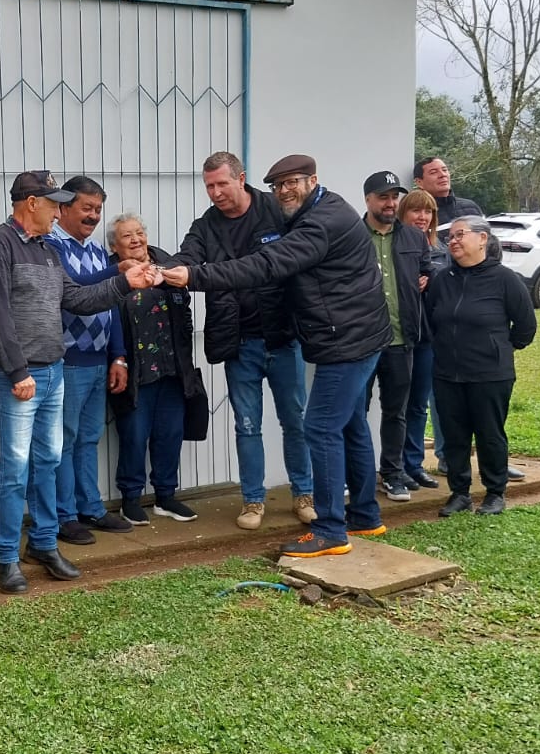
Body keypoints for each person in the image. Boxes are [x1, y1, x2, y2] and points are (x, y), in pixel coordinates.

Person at [163, 154, 390, 558]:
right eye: (279, 185)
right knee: (349, 423)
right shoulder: (312, 211)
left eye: (293, 183)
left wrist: (196, 277)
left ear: (313, 180)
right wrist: (167, 269)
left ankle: (330, 529)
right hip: (344, 337)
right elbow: (191, 253)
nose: (285, 191)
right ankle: (367, 515)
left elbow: (268, 264)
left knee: (317, 428)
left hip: (340, 341)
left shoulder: (317, 222)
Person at [0, 171, 159, 593]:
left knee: (48, 461)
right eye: (54, 204)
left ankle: (43, 543)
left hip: (54, 370)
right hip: (20, 376)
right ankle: (5, 558)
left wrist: (124, 282)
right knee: (16, 469)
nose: (60, 212)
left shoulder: (46, 251)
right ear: (30, 203)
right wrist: (17, 372)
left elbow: (77, 298)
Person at [175, 151, 314, 531]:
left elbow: (308, 250)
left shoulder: (276, 210)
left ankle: (305, 493)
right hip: (238, 342)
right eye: (209, 186)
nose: (215, 192)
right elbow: (188, 256)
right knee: (247, 424)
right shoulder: (205, 225)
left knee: (295, 420)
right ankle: (253, 500)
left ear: (241, 178)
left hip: (284, 336)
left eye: (221, 183)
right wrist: (166, 269)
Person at [412, 158, 525, 481]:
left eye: (446, 169)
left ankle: (495, 472)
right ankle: (449, 460)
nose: (443, 174)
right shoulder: (420, 215)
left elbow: (525, 325)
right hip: (442, 334)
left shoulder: (469, 208)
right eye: (434, 172)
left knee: (488, 419)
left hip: (485, 353)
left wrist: (501, 345)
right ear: (419, 182)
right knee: (442, 405)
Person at [425, 216, 538, 517]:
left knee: (489, 434)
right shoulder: (442, 279)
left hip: (490, 374)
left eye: (460, 234)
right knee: (454, 435)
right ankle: (459, 493)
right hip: (448, 373)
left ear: (483, 239)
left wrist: (500, 347)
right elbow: (430, 319)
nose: (454, 241)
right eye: (450, 238)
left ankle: (495, 492)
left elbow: (526, 326)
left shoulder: (505, 279)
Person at [44, 176, 135, 544]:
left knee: (88, 439)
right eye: (86, 208)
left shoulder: (97, 250)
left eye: (98, 209)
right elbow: (77, 289)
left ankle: (91, 508)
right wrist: (118, 270)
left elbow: (110, 305)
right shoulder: (50, 247)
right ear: (64, 207)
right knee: (64, 441)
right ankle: (65, 516)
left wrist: (119, 356)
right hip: (66, 360)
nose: (94, 216)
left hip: (99, 360)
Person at [106, 213, 204, 524]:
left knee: (171, 432)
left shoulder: (168, 265)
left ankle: (166, 496)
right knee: (134, 434)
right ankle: (131, 499)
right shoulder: (110, 276)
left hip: (172, 366)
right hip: (136, 369)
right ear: (114, 246)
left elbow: (184, 309)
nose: (135, 239)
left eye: (139, 233)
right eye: (126, 236)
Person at [359, 171, 431, 503]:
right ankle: (355, 474)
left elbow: (428, 268)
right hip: (361, 342)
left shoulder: (414, 239)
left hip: (402, 341)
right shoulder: (352, 237)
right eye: (383, 197)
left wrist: (428, 277)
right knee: (355, 411)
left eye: (394, 197)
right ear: (369, 199)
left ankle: (392, 472)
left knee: (396, 411)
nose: (390, 203)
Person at [397, 188, 447, 491]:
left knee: (418, 405)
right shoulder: (394, 245)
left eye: (428, 212)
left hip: (427, 336)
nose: (423, 217)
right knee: (396, 405)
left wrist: (434, 278)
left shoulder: (441, 249)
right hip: (398, 336)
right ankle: (393, 466)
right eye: (416, 211)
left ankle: (413, 465)